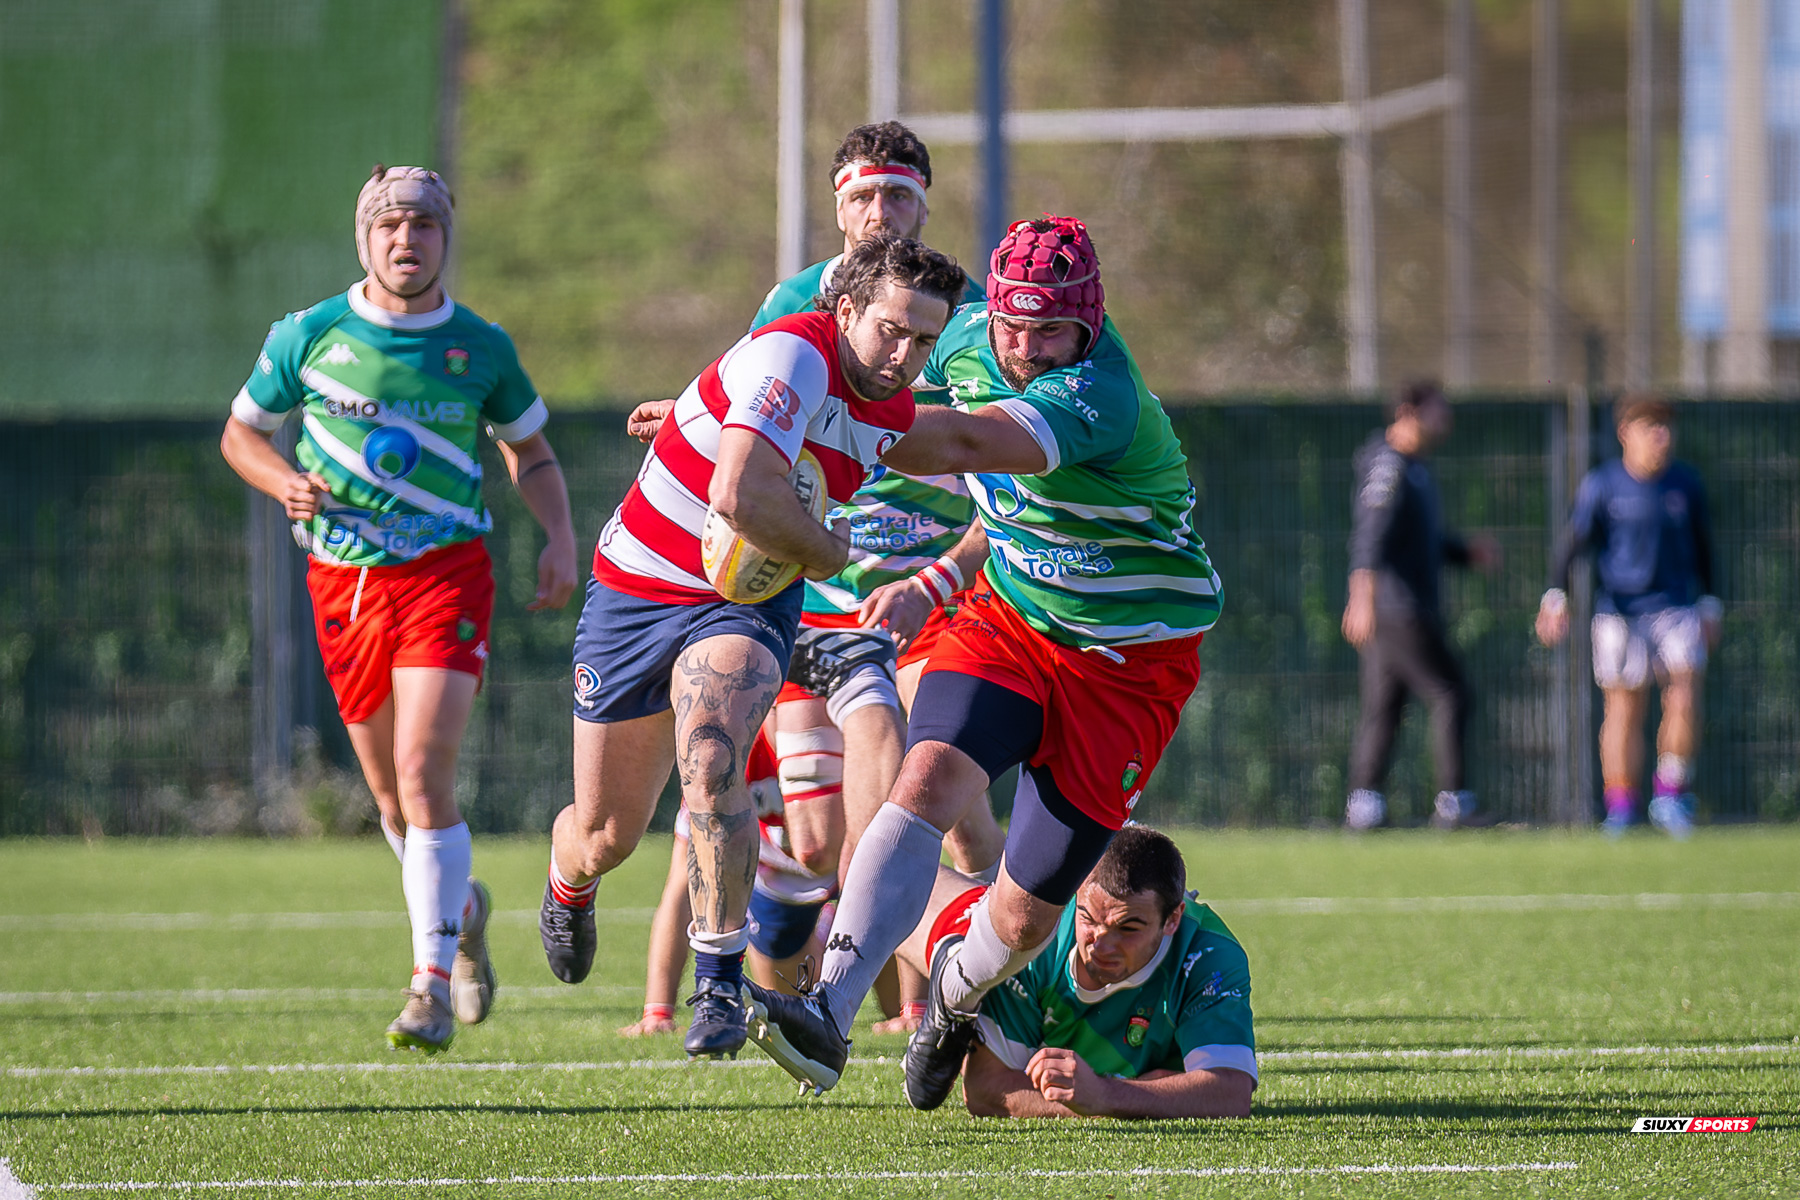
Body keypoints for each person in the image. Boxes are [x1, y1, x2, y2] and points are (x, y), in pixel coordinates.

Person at [737, 215, 1225, 1109]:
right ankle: (828, 1014)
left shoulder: (1099, 394)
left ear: (1090, 321)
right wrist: (728, 417)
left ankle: (956, 1000)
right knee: (923, 780)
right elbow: (824, 346)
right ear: (989, 309)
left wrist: (793, 429)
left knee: (1023, 917)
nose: (1029, 348)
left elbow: (961, 445)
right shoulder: (960, 333)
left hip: (1127, 669)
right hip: (1010, 620)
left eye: (1052, 331)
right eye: (1013, 325)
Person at [538, 233, 971, 1060]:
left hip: (747, 599)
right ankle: (571, 883)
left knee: (710, 758)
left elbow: (964, 442)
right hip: (636, 589)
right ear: (844, 310)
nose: (905, 355)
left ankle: (719, 985)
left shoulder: (891, 408)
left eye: (925, 341)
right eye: (891, 330)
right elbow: (738, 493)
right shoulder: (795, 353)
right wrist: (832, 551)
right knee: (605, 834)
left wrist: (1063, 438)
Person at [219, 165, 578, 1053]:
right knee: (388, 794)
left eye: (421, 223)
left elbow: (528, 448)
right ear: (364, 238)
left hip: (445, 576)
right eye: (388, 224)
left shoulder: (480, 345)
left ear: (445, 236)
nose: (404, 239)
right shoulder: (308, 334)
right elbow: (241, 435)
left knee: (422, 773)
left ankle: (427, 980)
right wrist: (283, 483)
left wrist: (560, 535)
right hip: (344, 583)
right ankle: (459, 909)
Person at [753, 121, 1004, 1033]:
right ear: (836, 205)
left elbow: (1010, 495)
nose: (878, 212)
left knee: (942, 808)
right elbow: (754, 436)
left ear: (926, 206)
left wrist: (935, 581)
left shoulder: (969, 320)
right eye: (862, 195)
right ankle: (934, 980)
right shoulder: (790, 305)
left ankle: (962, 992)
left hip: (934, 610)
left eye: (897, 195)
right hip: (812, 608)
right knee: (824, 843)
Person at [895, 825, 1256, 1119]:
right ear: (1075, 894)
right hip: (954, 921)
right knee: (881, 871)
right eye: (1089, 919)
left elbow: (1229, 1091)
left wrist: (1104, 1094)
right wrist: (1120, 1097)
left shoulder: (1207, 954)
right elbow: (987, 1089)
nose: (1102, 946)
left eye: (1128, 928)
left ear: (1173, 918)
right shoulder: (1033, 940)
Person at [1536, 394, 1720, 838]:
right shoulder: (1603, 485)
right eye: (1650, 426)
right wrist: (1554, 597)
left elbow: (1706, 549)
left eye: (1666, 426)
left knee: (1683, 692)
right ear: (1625, 433)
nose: (1662, 435)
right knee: (1623, 707)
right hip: (1619, 613)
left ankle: (1671, 794)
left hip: (1676, 607)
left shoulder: (1685, 484)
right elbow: (1572, 544)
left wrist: (1711, 602)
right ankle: (1620, 804)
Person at [1340, 381, 1498, 831]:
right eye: (1437, 410)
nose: (1445, 419)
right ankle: (1454, 802)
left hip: (1395, 606)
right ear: (1409, 411)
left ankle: (1364, 805)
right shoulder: (1389, 464)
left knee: (1384, 705)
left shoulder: (1414, 467)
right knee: (1451, 691)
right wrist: (1361, 598)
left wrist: (1467, 552)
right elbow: (1371, 534)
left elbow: (1420, 543)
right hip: (1396, 608)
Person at [619, 726, 840, 1036]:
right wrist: (658, 1010)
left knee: (897, 1001)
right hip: (779, 883)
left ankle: (910, 999)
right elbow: (682, 887)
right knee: (792, 1006)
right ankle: (827, 933)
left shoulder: (836, 728)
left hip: (851, 861)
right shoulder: (728, 753)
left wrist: (912, 1007)